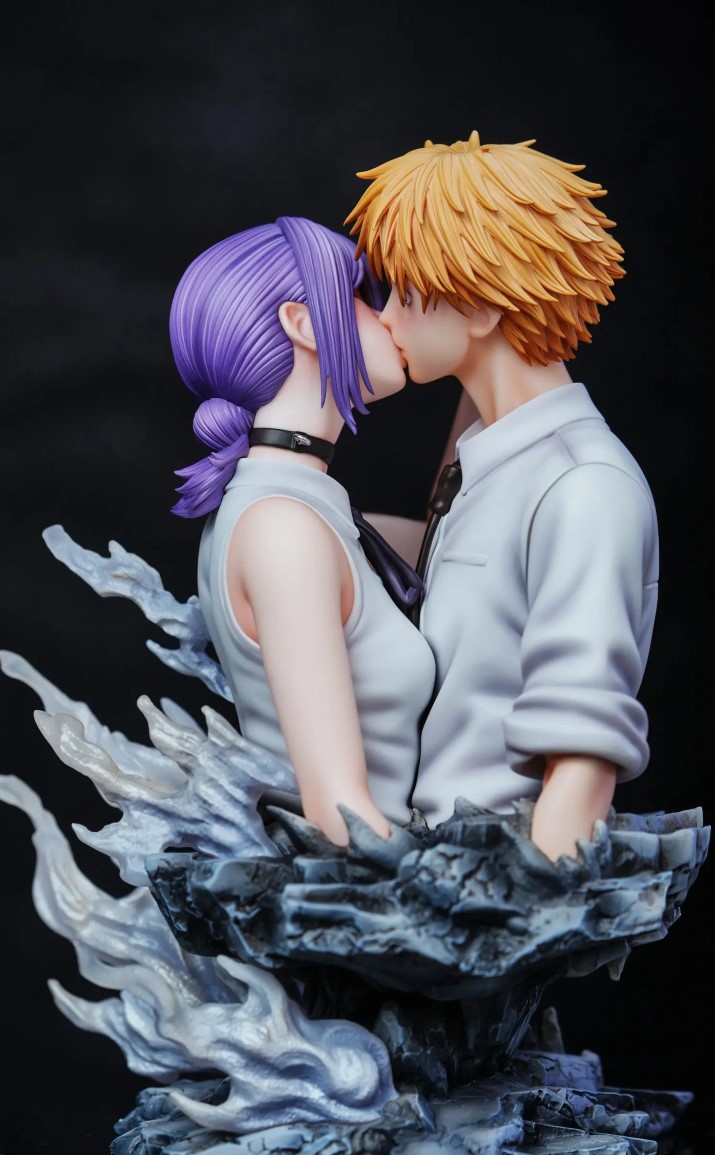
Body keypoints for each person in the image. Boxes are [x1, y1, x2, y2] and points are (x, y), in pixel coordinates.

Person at [346, 132, 658, 863]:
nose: (384, 318)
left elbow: (582, 758)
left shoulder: (582, 486)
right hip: (427, 859)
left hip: (493, 876)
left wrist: (521, 906)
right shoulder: (490, 461)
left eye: (406, 293)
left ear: (482, 307)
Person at [169, 216, 435, 846]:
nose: (389, 317)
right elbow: (341, 816)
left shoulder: (298, 506)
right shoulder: (282, 529)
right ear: (306, 325)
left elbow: (448, 532)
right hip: (367, 887)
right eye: (365, 297)